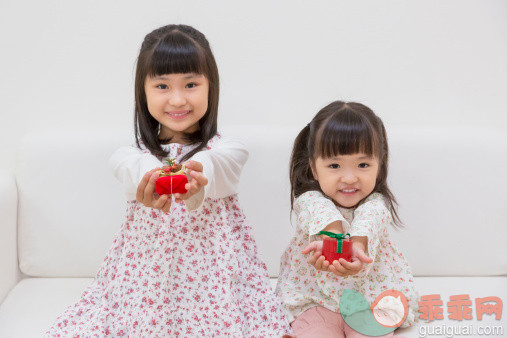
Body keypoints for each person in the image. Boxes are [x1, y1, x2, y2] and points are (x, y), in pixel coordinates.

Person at [45, 24, 290, 337]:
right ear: (143, 93)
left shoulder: (227, 149)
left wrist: (195, 172)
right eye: (162, 86)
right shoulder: (132, 155)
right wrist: (154, 176)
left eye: (190, 84)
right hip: (150, 282)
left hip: (212, 282)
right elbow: (129, 167)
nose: (177, 99)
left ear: (211, 88)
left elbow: (218, 164)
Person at [276, 101, 418, 337]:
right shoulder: (309, 200)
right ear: (313, 167)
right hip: (315, 300)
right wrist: (332, 238)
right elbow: (320, 212)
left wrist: (357, 249)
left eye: (363, 164)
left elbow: (368, 222)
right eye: (334, 165)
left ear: (379, 165)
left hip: (370, 299)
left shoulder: (377, 204)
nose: (350, 178)